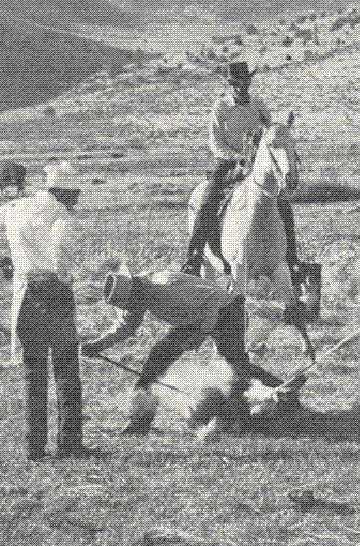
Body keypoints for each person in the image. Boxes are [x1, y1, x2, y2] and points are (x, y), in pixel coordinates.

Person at [80, 265, 300, 434]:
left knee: (232, 368)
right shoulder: (138, 294)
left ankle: (282, 390)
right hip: (194, 319)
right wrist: (97, 345)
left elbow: (213, 302)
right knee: (157, 359)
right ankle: (139, 422)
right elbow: (125, 327)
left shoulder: (166, 287)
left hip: (227, 311)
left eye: (132, 305)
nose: (133, 310)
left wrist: (199, 336)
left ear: (136, 293)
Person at [2, 161, 100, 459]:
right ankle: (69, 443)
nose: (78, 199)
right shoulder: (61, 216)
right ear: (66, 192)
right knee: (67, 370)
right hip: (53, 293)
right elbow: (59, 256)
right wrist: (67, 278)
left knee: (34, 372)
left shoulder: (14, 208)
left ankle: (34, 447)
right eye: (76, 194)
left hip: (24, 296)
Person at [182, 60, 298, 277]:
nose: (240, 87)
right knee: (208, 198)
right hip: (227, 163)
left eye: (244, 82)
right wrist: (237, 157)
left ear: (249, 83)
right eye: (236, 83)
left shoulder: (259, 106)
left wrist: (259, 152)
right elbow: (215, 143)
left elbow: (269, 134)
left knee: (281, 202)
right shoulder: (221, 107)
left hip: (255, 163)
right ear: (230, 85)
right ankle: (195, 256)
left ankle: (291, 257)